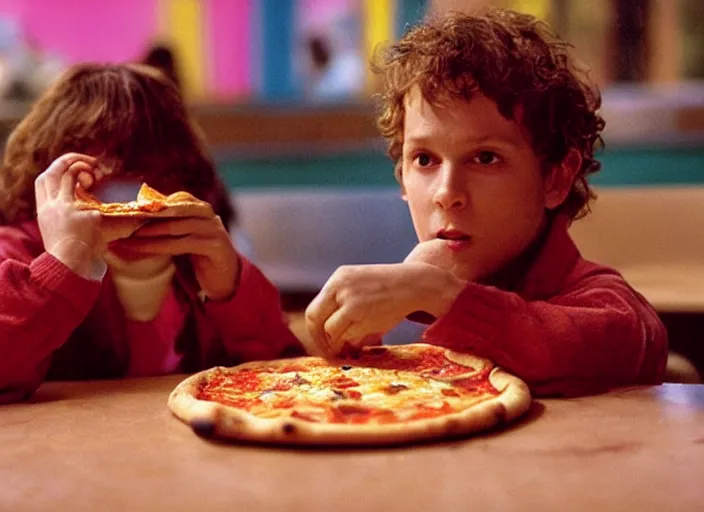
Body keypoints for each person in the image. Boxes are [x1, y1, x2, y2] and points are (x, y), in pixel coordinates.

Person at [304, 9, 668, 397]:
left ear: (556, 178)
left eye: (485, 158)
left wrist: (440, 294)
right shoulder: (412, 296)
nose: (447, 192)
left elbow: (635, 339)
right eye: (424, 159)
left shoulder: (601, 299)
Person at [0, 63, 303, 404]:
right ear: (48, 180)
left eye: (155, 171)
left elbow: (286, 378)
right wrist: (64, 261)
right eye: (91, 174)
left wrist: (233, 290)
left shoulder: (198, 257)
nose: (129, 197)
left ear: (184, 174)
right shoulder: (16, 253)